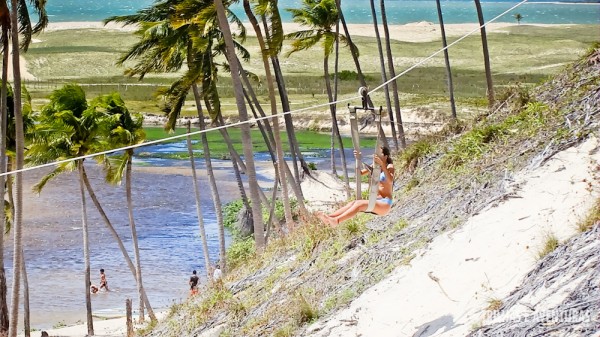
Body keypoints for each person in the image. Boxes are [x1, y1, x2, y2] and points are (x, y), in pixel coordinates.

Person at [318, 146, 395, 226]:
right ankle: (329, 218)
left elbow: (390, 180)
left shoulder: (389, 167)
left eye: (379, 154)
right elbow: (359, 173)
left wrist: (382, 164)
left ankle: (336, 221)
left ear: (385, 156)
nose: (376, 156)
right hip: (375, 202)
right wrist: (358, 159)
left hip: (384, 203)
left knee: (359, 204)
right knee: (353, 203)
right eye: (375, 154)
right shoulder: (374, 166)